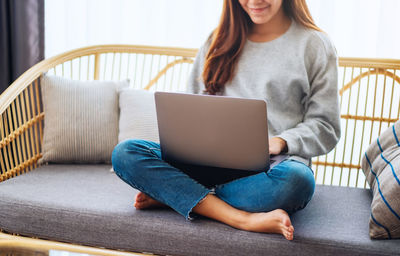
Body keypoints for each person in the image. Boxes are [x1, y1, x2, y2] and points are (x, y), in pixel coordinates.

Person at [111, 0, 340, 241]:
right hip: (206, 163)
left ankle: (177, 194)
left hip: (270, 170)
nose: (254, 2)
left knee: (298, 181)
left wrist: (280, 141)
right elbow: (191, 108)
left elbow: (326, 126)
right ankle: (240, 218)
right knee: (125, 153)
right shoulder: (217, 39)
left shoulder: (315, 45)